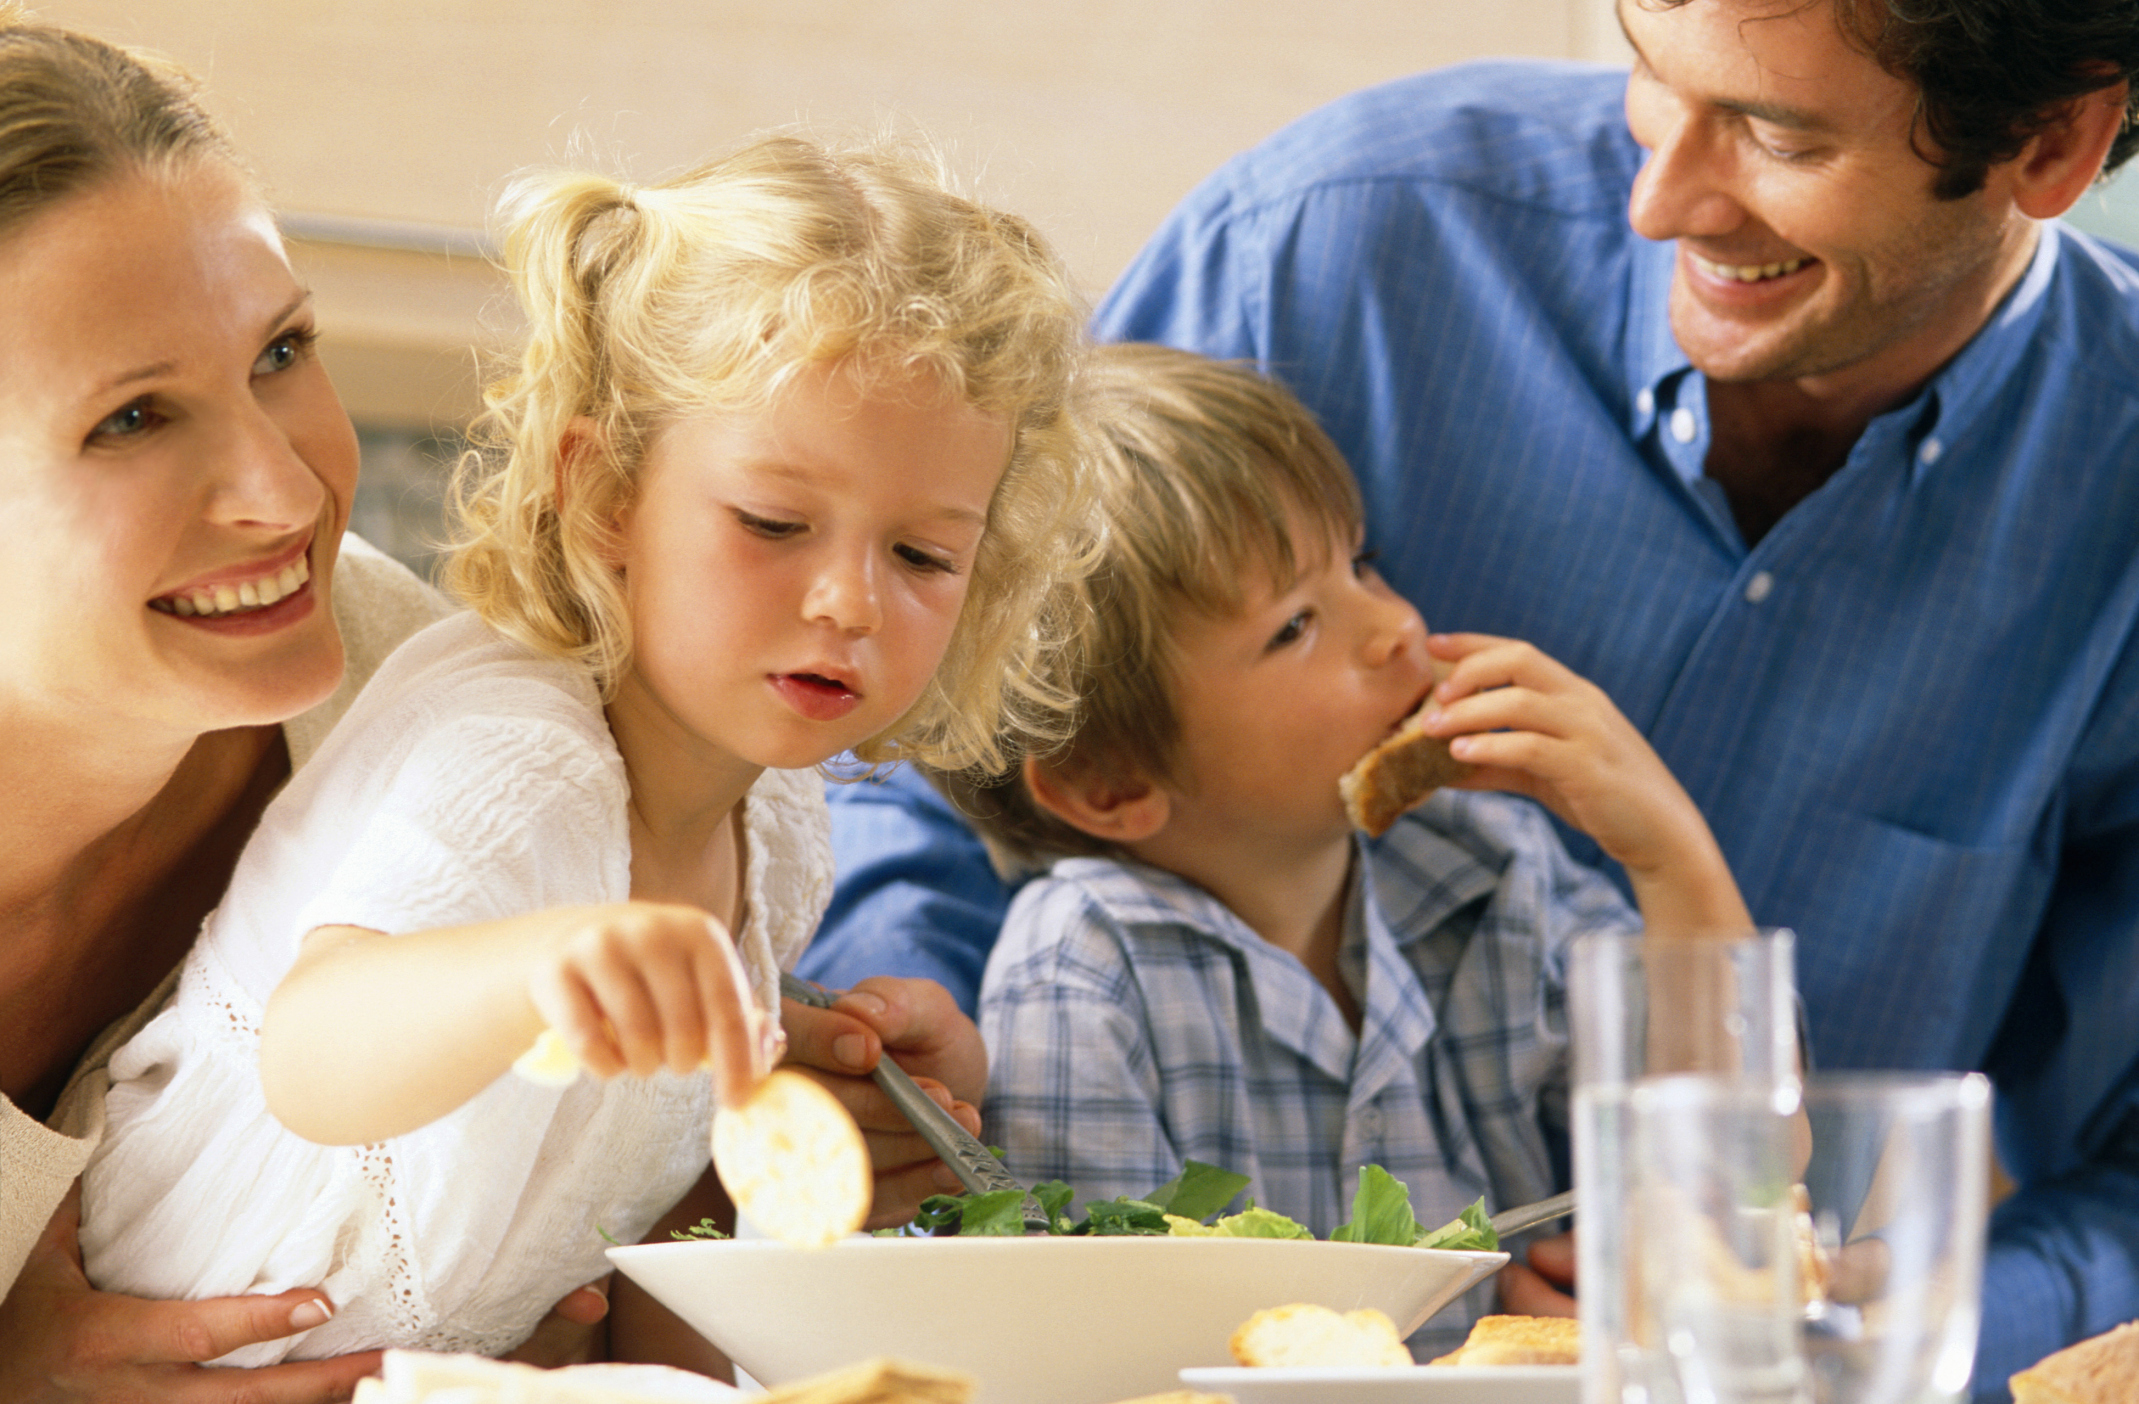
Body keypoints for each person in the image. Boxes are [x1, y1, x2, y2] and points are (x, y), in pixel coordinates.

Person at [805, 1, 2139, 1396]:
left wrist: (1824, 1320)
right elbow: (962, 730)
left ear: (2049, 146)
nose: (1653, 197)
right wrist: (904, 1133)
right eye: (1645, 74)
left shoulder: (1491, 869)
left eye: (1773, 131)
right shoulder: (1325, 246)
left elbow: (1822, 1169)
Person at [0, 10, 998, 1395]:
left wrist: (772, 1121)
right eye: (131, 419)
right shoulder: (498, 746)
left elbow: (544, 1185)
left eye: (282, 351)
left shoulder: (404, 667)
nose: (286, 496)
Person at [948, 344, 1755, 1354]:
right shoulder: (1084, 964)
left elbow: (1748, 1170)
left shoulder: (1481, 864)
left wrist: (1668, 855)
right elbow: (1096, 1357)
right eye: (1295, 627)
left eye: (1361, 564)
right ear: (1113, 787)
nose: (1396, 626)